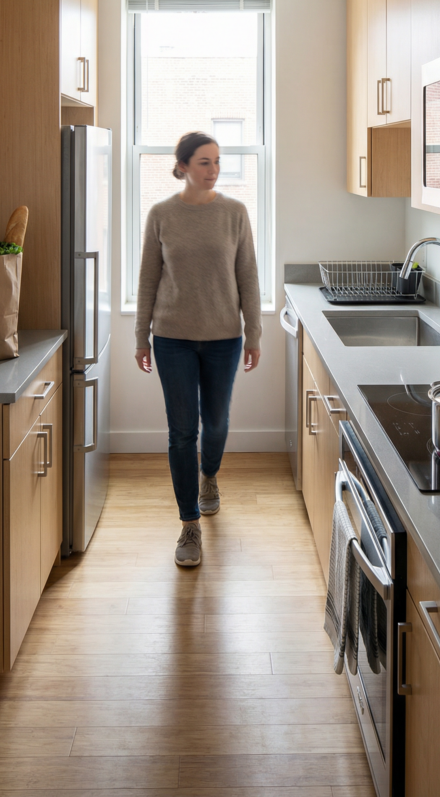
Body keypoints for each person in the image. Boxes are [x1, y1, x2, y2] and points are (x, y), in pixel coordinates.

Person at [134, 131, 262, 567]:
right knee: (182, 431)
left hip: (224, 337)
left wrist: (254, 333)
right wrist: (141, 336)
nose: (214, 170)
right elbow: (148, 279)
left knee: (217, 422)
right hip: (172, 338)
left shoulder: (234, 213)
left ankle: (209, 475)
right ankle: (189, 524)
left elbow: (248, 276)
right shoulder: (161, 215)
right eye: (205, 162)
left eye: (217, 161)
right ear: (183, 166)